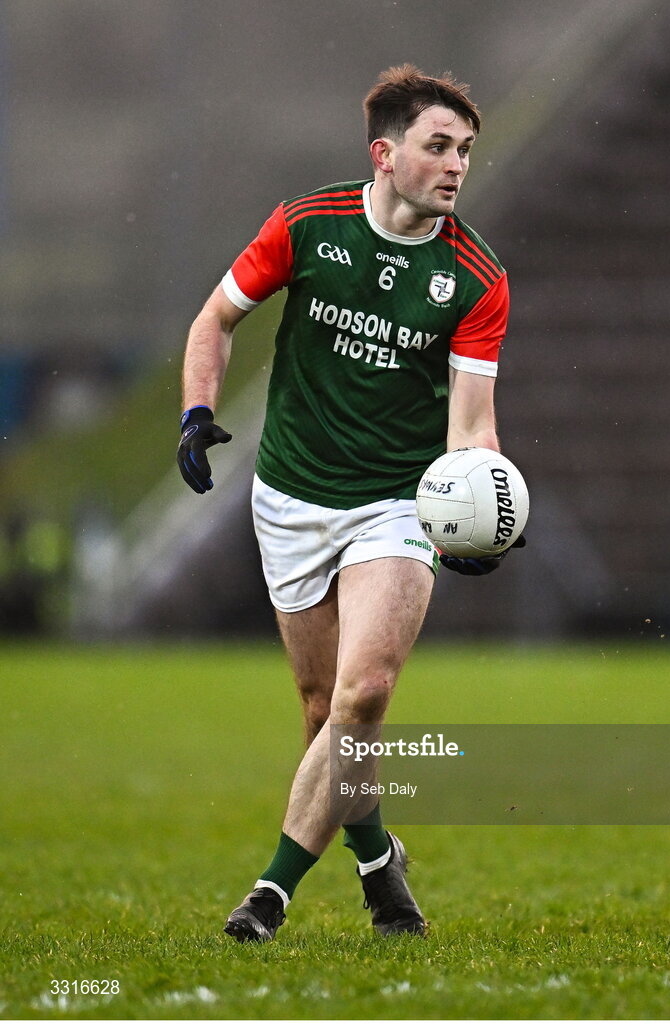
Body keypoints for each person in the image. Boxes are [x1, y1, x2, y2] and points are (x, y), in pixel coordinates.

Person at [177, 64, 515, 943]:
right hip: (289, 494)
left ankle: (269, 894)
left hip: (395, 505)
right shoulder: (308, 225)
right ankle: (377, 859)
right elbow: (214, 321)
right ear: (385, 153)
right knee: (324, 712)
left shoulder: (475, 278)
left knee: (364, 694)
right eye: (438, 146)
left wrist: (481, 508)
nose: (455, 166)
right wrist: (196, 413)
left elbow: (471, 427)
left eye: (465, 151)